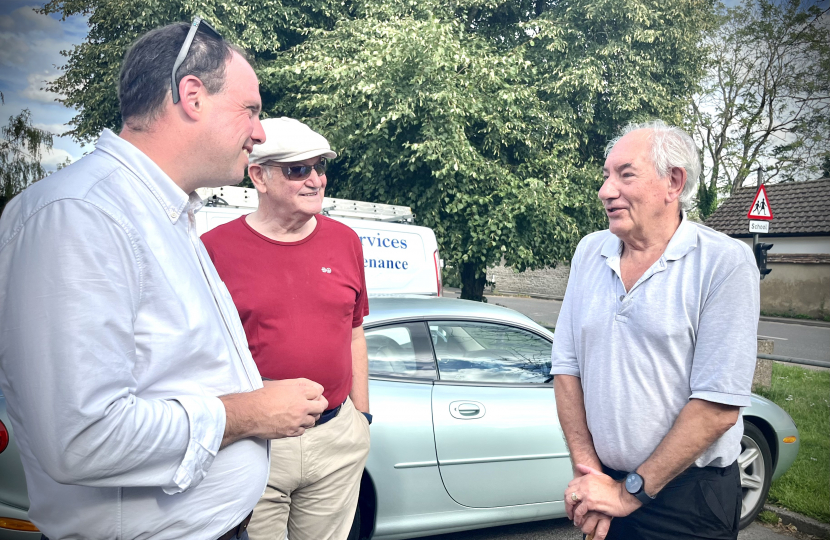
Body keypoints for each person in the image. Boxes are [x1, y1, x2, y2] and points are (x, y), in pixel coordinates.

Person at [0, 19, 327, 540]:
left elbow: (165, 373)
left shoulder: (163, 214)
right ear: (192, 96)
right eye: (252, 110)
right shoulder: (81, 215)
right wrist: (250, 412)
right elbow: (83, 437)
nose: (260, 132)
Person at [550, 120, 760, 540]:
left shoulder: (725, 263)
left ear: (673, 182)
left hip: (690, 503)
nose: (606, 190)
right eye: (606, 176)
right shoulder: (590, 252)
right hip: (607, 485)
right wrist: (592, 477)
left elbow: (718, 407)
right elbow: (566, 366)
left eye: (625, 174)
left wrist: (629, 494)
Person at [201, 117, 372, 540]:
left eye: (320, 167)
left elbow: (354, 333)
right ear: (258, 176)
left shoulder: (346, 241)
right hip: (256, 443)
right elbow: (201, 354)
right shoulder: (214, 249)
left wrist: (362, 417)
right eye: (298, 170)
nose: (316, 180)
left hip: (335, 437)